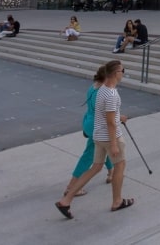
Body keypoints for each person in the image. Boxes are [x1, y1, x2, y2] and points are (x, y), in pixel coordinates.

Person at [57, 60, 134, 217]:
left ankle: (66, 200)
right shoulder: (112, 94)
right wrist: (113, 144)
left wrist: (120, 117)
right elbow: (111, 123)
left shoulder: (101, 89)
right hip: (110, 137)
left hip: (98, 135)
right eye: (122, 70)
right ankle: (117, 201)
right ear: (115, 73)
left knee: (95, 167)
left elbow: (106, 114)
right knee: (120, 166)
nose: (124, 73)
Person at [62, 65, 114, 198]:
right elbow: (107, 115)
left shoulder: (94, 87)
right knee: (89, 155)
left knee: (104, 148)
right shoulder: (103, 92)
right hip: (97, 126)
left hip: (89, 122)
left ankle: (111, 172)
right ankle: (72, 187)